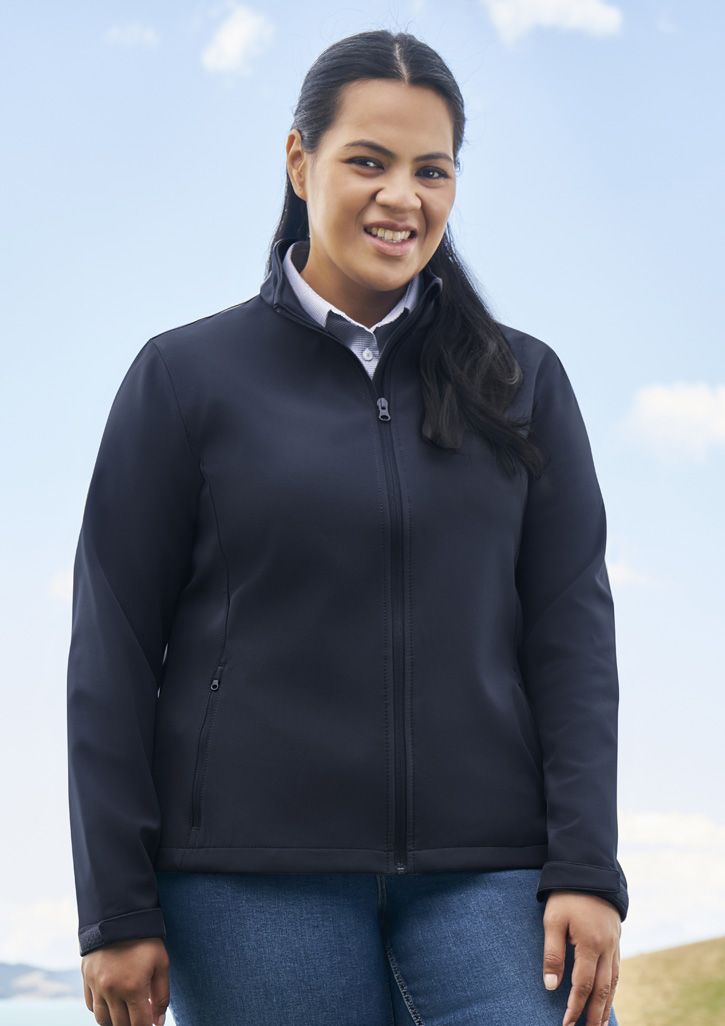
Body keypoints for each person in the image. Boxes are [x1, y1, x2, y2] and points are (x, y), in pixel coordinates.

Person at [67, 28, 628, 1026]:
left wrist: (585, 866)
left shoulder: (522, 383)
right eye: (368, 161)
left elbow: (570, 634)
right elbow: (111, 649)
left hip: (491, 872)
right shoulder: (184, 379)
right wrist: (115, 908)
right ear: (300, 162)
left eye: (431, 171)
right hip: (245, 883)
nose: (400, 197)